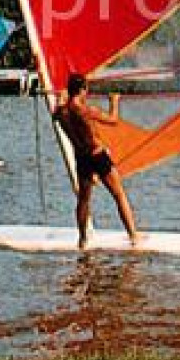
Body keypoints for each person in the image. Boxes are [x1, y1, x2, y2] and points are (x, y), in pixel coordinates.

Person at [52, 73, 141, 249]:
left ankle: (82, 239)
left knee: (83, 200)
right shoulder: (86, 110)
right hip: (98, 156)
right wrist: (114, 101)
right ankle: (133, 236)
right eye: (86, 89)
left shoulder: (61, 113)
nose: (87, 93)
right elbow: (113, 120)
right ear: (82, 89)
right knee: (119, 195)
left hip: (82, 158)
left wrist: (61, 99)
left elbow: (56, 113)